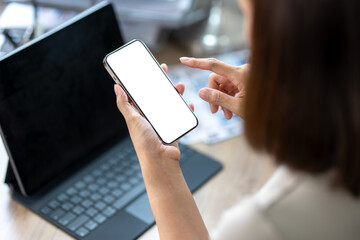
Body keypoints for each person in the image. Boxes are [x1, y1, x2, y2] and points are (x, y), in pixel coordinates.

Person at [113, 0, 360, 239]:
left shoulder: (266, 223)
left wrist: (157, 160)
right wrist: (286, 99)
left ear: (279, 37)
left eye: (246, 15)